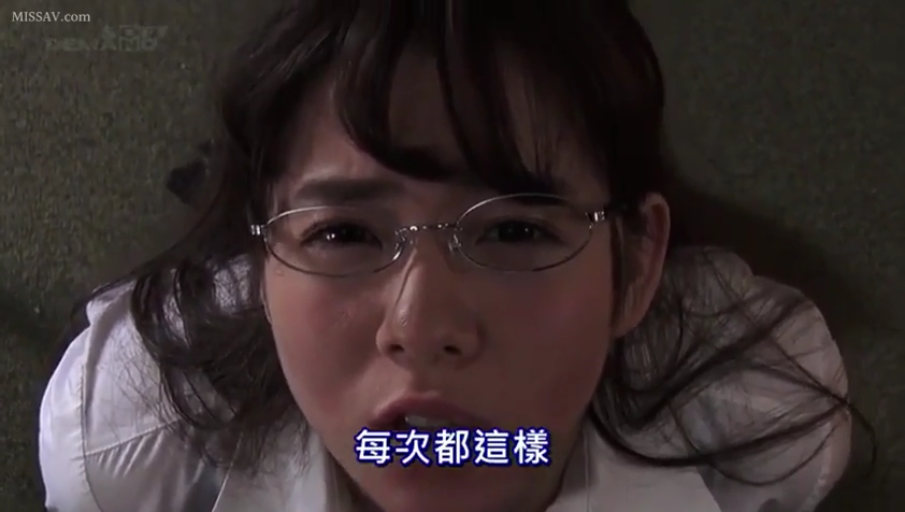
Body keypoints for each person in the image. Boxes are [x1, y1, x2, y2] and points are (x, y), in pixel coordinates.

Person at [38, 1, 858, 511]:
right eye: (344, 233)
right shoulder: (128, 449)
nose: (421, 328)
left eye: (514, 232)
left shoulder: (763, 425)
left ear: (636, 266)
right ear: (259, 268)